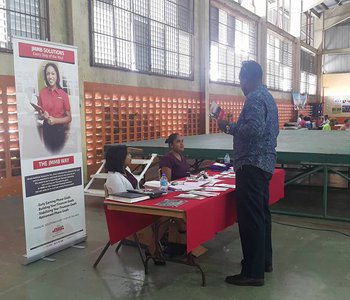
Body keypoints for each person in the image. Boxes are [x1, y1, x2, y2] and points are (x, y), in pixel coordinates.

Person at [218, 61, 279, 287]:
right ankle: (264, 262)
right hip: (264, 164)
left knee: (251, 219)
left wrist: (228, 127)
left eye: (241, 80)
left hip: (251, 165)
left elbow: (253, 130)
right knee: (262, 215)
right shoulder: (268, 98)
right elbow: (272, 129)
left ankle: (253, 273)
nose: (240, 85)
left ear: (248, 78)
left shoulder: (254, 98)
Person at [37, 62, 71, 152]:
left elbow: (69, 118)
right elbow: (39, 115)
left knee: (59, 155)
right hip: (46, 129)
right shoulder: (42, 93)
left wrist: (56, 121)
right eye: (48, 74)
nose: (50, 76)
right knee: (48, 153)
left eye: (53, 73)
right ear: (45, 76)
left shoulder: (63, 94)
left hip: (59, 130)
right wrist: (42, 116)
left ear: (57, 75)